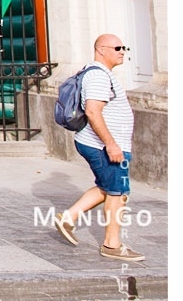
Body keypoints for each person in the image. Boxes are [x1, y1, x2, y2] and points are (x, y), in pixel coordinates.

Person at [53, 34, 144, 262]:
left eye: (124, 47)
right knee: (118, 193)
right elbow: (93, 112)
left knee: (106, 187)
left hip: (104, 144)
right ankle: (112, 245)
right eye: (117, 47)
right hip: (104, 146)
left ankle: (68, 217)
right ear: (101, 49)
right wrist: (111, 145)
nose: (122, 51)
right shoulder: (98, 76)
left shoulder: (100, 74)